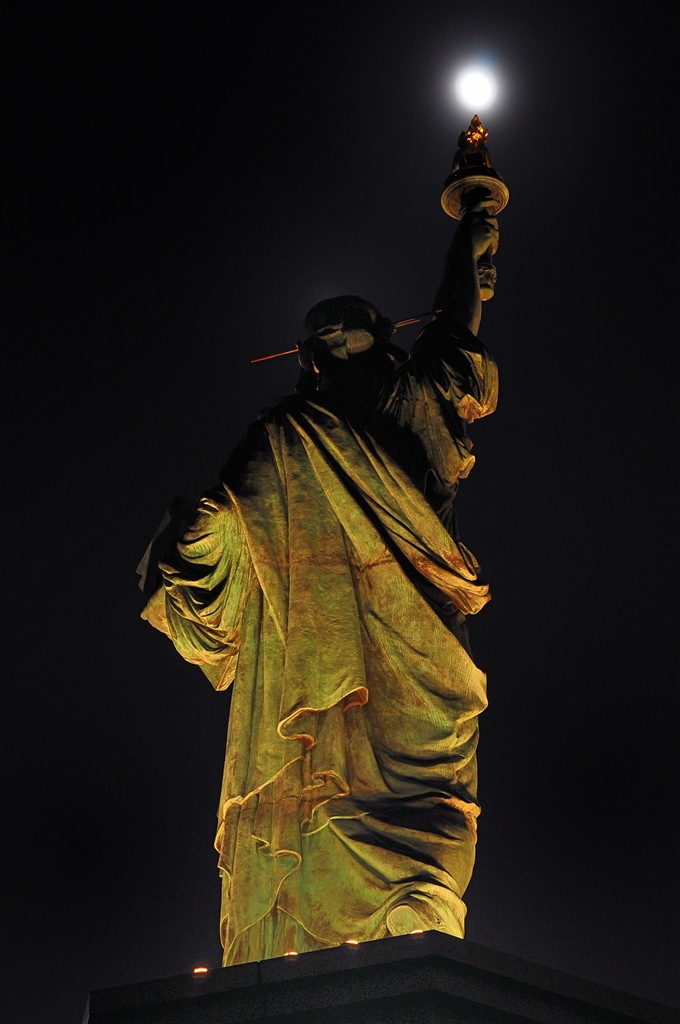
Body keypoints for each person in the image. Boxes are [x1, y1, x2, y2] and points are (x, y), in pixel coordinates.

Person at [140, 198, 500, 965]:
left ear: (381, 338)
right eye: (322, 336)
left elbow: (455, 323)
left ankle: (417, 923)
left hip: (416, 648)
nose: (335, 339)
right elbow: (228, 520)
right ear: (307, 358)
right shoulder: (282, 436)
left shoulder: (415, 401)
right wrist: (198, 534)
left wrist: (473, 228)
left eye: (348, 328)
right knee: (320, 808)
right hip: (312, 664)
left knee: (431, 813)